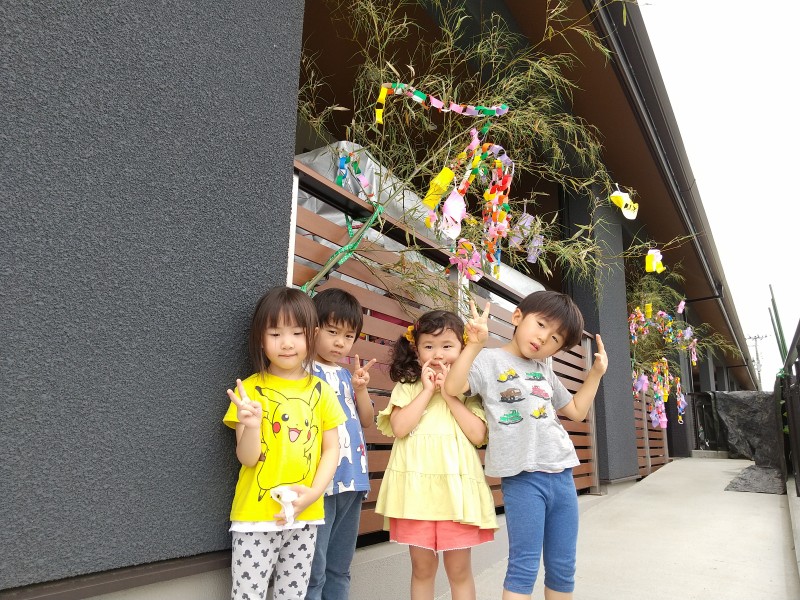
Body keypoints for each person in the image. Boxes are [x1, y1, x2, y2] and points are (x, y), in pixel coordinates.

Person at [444, 291, 608, 600]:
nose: (544, 338)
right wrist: (474, 345)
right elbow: (452, 387)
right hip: (523, 478)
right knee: (524, 566)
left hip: (562, 474)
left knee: (563, 566)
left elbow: (576, 410)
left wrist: (596, 374)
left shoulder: (544, 369)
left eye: (556, 338)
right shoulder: (489, 360)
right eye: (541, 324)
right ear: (518, 316)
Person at [223, 286, 346, 600]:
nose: (287, 343)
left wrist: (313, 494)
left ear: (312, 335)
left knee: (293, 595)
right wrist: (252, 426)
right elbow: (247, 458)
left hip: (305, 515)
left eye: (296, 333)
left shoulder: (322, 391)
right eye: (275, 334)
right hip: (255, 517)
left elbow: (332, 449)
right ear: (260, 339)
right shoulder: (249, 390)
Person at [376, 310, 498, 600]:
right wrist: (427, 390)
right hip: (415, 495)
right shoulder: (407, 387)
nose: (438, 354)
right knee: (422, 569)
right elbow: (399, 427)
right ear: (416, 351)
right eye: (429, 346)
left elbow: (477, 435)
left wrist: (448, 394)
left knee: (459, 571)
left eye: (447, 346)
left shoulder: (469, 391)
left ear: (463, 349)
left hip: (456, 497)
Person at [306, 288, 376, 600]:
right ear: (312, 329)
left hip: (353, 478)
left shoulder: (349, 376)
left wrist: (360, 389)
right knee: (313, 569)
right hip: (319, 482)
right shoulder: (303, 371)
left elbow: (367, 420)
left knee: (340, 567)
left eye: (348, 336)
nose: (340, 343)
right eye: (332, 332)